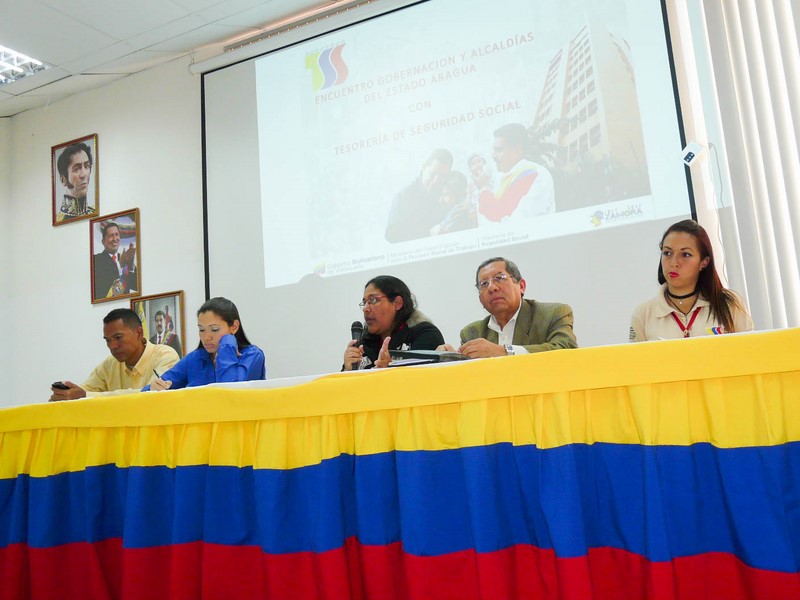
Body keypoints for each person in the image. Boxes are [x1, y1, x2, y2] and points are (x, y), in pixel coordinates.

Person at [630, 219, 754, 341]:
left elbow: (751, 350)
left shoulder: (729, 304)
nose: (674, 263)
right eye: (667, 253)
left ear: (704, 262)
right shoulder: (643, 314)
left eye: (685, 254)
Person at [440, 257, 577, 358]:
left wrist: (504, 352)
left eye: (499, 278)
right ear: (480, 299)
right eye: (484, 284)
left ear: (521, 286)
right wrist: (448, 358)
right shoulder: (472, 332)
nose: (492, 288)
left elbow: (567, 350)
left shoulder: (553, 314)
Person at [50, 308, 179, 401]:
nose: (112, 346)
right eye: (108, 340)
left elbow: (151, 394)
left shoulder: (165, 356)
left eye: (118, 337)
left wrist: (86, 396)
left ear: (139, 333)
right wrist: (66, 396)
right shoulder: (109, 365)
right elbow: (82, 392)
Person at [145, 297, 265, 391]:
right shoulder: (194, 358)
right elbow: (150, 390)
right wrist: (153, 388)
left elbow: (229, 391)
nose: (206, 337)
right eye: (201, 330)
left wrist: (228, 344)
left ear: (234, 327)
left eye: (214, 329)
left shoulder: (253, 355)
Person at [343, 275, 444, 370]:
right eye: (364, 302)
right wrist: (348, 371)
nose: (365, 309)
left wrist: (390, 369)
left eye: (373, 300)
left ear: (397, 303)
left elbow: (421, 378)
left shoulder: (425, 334)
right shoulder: (364, 343)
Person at [476, 123, 555, 222]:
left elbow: (513, 221)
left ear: (517, 150)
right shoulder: (504, 179)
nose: (493, 156)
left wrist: (484, 188)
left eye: (499, 150)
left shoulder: (534, 174)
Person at [385, 149, 453, 242]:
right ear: (423, 167)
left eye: (442, 176)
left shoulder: (450, 191)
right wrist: (428, 233)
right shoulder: (403, 196)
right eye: (433, 173)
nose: (436, 181)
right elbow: (392, 234)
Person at [93, 221, 137, 299]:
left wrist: (131, 267)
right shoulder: (95, 260)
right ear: (103, 242)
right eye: (111, 235)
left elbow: (136, 286)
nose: (114, 239)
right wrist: (120, 265)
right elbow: (101, 285)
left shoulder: (125, 258)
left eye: (117, 235)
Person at [55, 142, 95, 222]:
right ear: (63, 179)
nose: (83, 174)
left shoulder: (94, 212)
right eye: (77, 169)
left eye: (86, 166)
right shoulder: (59, 220)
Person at [430, 171, 477, 236]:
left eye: (445, 194)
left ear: (458, 196)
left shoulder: (464, 218)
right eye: (441, 194)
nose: (440, 200)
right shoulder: (440, 213)